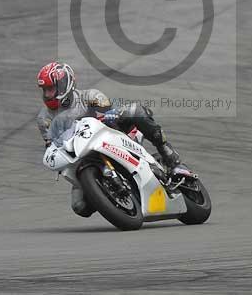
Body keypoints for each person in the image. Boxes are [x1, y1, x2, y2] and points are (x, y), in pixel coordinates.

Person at [35, 61, 192, 217]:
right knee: (80, 207)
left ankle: (172, 160)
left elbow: (107, 108)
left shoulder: (89, 96)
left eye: (51, 89)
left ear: (65, 84)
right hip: (81, 155)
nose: (48, 94)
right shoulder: (44, 118)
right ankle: (107, 194)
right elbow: (51, 143)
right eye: (45, 90)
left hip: (111, 136)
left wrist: (111, 113)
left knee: (134, 110)